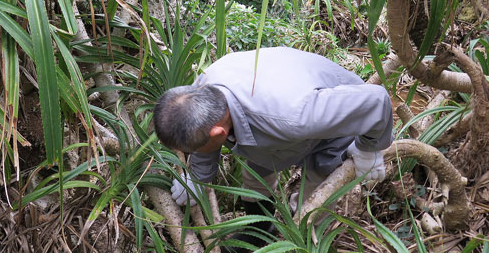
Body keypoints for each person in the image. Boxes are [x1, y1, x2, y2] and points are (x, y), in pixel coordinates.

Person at [153, 47, 393, 252]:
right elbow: (204, 132)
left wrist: (368, 149)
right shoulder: (199, 91)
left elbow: (375, 101)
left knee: (314, 202)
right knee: (255, 172)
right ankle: (261, 227)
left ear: (219, 134)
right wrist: (198, 178)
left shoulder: (295, 116)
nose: (196, 152)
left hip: (336, 121)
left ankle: (303, 238)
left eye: (195, 149)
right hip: (277, 123)